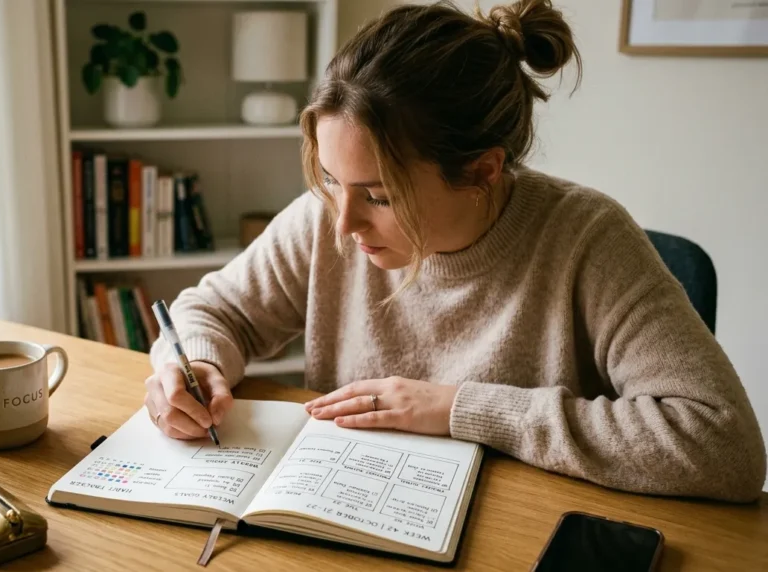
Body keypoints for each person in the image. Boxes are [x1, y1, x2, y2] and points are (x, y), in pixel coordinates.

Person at [144, 0, 766, 502]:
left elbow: (723, 444)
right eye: (331, 180)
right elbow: (212, 311)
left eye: (380, 197)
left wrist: (464, 409)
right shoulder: (326, 218)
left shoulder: (589, 239)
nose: (342, 225)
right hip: (348, 512)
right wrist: (193, 366)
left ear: (482, 172)